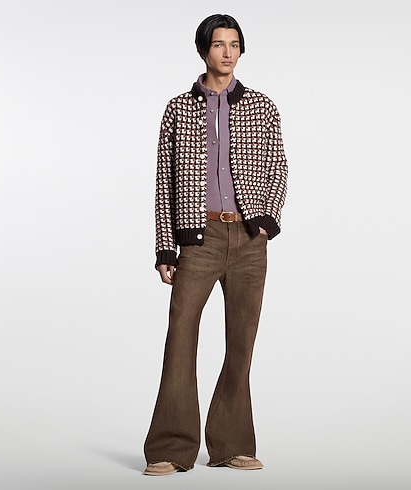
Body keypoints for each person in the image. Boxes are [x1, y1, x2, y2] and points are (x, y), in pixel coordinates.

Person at [143, 13, 288, 476]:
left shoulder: (262, 106)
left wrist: (264, 221)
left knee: (241, 342)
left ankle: (231, 445)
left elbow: (278, 167)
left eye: (234, 44)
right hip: (198, 240)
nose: (227, 53)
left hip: (248, 239)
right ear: (203, 49)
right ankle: (170, 448)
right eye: (219, 44)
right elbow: (164, 183)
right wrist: (166, 248)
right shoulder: (178, 109)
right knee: (180, 336)